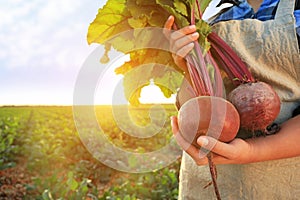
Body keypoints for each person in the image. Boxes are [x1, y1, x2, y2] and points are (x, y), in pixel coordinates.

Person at [163, 0, 300, 199]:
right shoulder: (212, 20)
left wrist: (252, 151)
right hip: (205, 186)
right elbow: (191, 101)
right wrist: (186, 63)